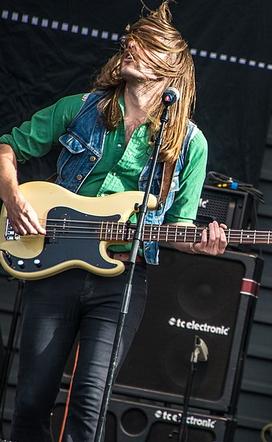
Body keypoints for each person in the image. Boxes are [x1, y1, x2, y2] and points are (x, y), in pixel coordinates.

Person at [0, 3, 227, 441]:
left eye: (142, 45)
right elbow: (7, 148)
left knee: (89, 408)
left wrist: (199, 243)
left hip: (120, 280)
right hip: (54, 269)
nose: (129, 46)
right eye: (129, 40)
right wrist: (12, 197)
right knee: (31, 400)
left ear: (167, 66)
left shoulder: (188, 144)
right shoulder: (81, 108)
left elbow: (178, 227)